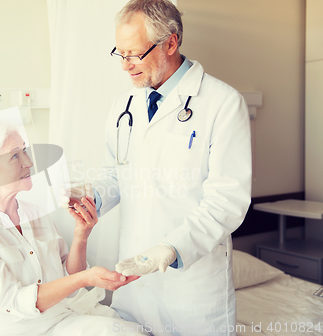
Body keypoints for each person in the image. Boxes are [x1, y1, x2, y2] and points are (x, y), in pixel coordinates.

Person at [90, 1, 252, 335]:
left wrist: (172, 247)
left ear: (171, 43)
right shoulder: (125, 106)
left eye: (134, 54)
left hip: (191, 284)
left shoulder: (222, 103)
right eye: (120, 54)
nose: (126, 65)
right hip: (133, 283)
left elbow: (227, 200)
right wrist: (91, 199)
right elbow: (114, 173)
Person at [0, 111, 149, 336]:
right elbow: (13, 303)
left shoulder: (34, 214)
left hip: (58, 320)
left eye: (24, 150)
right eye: (15, 155)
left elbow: (68, 278)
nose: (29, 162)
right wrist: (84, 278)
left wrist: (82, 234)